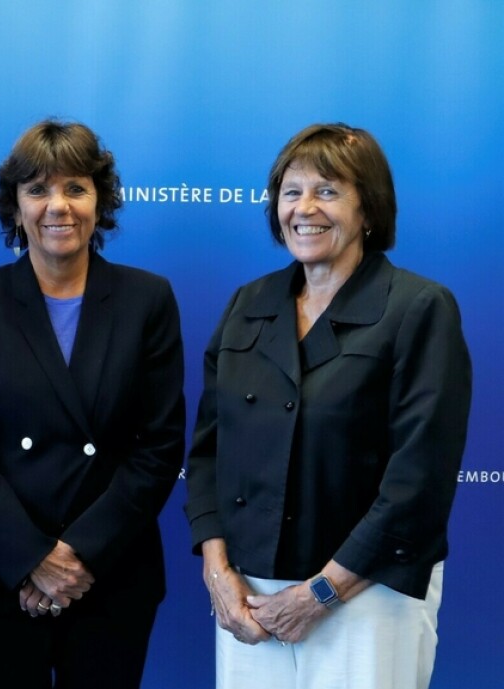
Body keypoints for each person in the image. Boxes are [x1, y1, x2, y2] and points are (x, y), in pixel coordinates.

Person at [184, 123, 472, 689]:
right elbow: (208, 451)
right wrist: (217, 572)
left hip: (368, 595)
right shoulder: (249, 303)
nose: (304, 208)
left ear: (369, 209)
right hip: (250, 602)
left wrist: (322, 592)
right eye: (292, 193)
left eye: (328, 190)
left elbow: (419, 480)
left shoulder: (418, 308)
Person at [0, 119, 186, 689]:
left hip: (109, 576)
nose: (58, 207)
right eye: (38, 189)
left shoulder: (147, 299)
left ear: (101, 201)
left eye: (76, 188)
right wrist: (31, 558)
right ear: (15, 205)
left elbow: (160, 446)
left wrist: (76, 557)